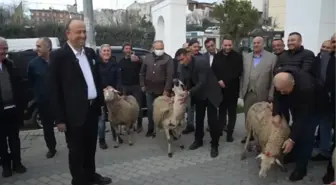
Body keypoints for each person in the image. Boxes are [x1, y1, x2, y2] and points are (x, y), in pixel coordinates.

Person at [49, 19, 111, 185]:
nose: (83, 35)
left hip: (91, 111)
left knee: (90, 148)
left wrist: (101, 105)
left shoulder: (90, 53)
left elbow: (96, 80)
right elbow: (54, 90)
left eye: (84, 31)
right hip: (73, 115)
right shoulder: (59, 56)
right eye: (78, 32)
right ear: (68, 34)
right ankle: (79, 181)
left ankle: (90, 175)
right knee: (76, 152)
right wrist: (59, 119)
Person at [178, 47, 222, 158]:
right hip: (199, 94)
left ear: (188, 55)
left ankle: (215, 145)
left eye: (182, 59)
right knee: (199, 119)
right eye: (179, 60)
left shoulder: (201, 62)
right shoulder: (183, 65)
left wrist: (189, 93)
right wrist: (184, 91)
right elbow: (186, 81)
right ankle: (198, 140)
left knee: (212, 121)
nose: (181, 62)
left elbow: (202, 82)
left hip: (210, 93)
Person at [272, 71, 316, 181]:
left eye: (284, 90)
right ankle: (293, 154)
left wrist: (291, 139)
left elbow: (302, 118)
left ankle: (301, 168)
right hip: (298, 103)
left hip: (315, 108)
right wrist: (276, 113)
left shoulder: (306, 88)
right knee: (296, 130)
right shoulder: (280, 81)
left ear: (292, 83)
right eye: (280, 90)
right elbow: (277, 96)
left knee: (306, 134)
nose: (281, 93)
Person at [240, 36, 277, 143]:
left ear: (263, 44)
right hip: (248, 91)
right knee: (248, 115)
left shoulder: (272, 58)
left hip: (262, 93)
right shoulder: (246, 57)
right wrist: (242, 91)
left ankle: (261, 137)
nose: (256, 45)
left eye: (258, 43)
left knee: (261, 117)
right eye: (254, 43)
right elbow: (242, 75)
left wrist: (271, 94)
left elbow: (273, 77)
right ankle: (248, 134)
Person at [0, 37, 27, 178]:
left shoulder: (10, 64)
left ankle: (17, 163)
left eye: (6, 48)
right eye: (2, 48)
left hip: (13, 110)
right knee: (1, 142)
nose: (5, 51)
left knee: (14, 139)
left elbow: (19, 85)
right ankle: (6, 166)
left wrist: (21, 105)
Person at [27, 37, 57, 158]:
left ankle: (72, 145)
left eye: (39, 46)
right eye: (36, 46)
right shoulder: (33, 64)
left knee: (66, 124)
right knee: (47, 126)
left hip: (59, 100)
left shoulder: (57, 61)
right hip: (44, 102)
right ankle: (51, 148)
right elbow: (31, 82)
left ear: (48, 47)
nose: (36, 49)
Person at [139, 40, 174, 137]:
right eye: (158, 48)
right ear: (153, 48)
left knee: (164, 111)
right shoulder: (147, 58)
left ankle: (167, 129)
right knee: (150, 110)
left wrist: (167, 90)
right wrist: (142, 85)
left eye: (161, 48)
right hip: (149, 89)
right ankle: (150, 129)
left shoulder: (168, 59)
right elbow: (142, 73)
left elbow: (169, 76)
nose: (160, 50)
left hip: (162, 90)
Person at [212, 38, 243, 141]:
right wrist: (218, 80)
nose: (227, 47)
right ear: (222, 45)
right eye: (225, 45)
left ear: (232, 45)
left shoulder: (237, 56)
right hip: (220, 89)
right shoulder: (217, 56)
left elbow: (238, 72)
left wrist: (225, 81)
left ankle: (230, 133)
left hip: (232, 89)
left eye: (229, 45)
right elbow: (214, 70)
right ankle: (221, 129)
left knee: (232, 112)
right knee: (221, 111)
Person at [311, 40, 333, 161]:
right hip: (315, 99)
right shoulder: (316, 59)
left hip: (328, 100)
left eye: (327, 48)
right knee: (313, 123)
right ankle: (316, 143)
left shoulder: (333, 61)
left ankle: (324, 151)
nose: (324, 49)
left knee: (325, 126)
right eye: (323, 46)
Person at [97, 44, 120, 149]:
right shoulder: (96, 64)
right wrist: (102, 88)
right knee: (102, 119)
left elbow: (119, 78)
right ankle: (101, 140)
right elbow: (94, 79)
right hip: (100, 95)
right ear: (100, 52)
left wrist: (115, 88)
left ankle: (116, 136)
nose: (106, 53)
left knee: (114, 116)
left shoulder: (114, 63)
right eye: (104, 51)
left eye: (108, 51)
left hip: (113, 94)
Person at [119, 43, 143, 133]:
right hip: (125, 87)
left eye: (129, 48)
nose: (128, 50)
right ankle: (128, 125)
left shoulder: (136, 60)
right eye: (126, 48)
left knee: (138, 106)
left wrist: (138, 61)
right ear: (123, 50)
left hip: (136, 86)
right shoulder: (121, 61)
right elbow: (119, 75)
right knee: (125, 107)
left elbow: (143, 68)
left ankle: (139, 125)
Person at [322, 33, 336, 185]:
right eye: (333, 41)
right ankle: (331, 170)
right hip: (329, 101)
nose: (334, 43)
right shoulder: (328, 58)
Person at [182, 39, 202, 134]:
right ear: (189, 48)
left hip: (200, 88)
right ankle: (190, 125)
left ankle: (199, 126)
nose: (196, 49)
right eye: (194, 47)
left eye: (198, 47)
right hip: (189, 87)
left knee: (200, 109)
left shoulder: (202, 58)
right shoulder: (186, 58)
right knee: (190, 108)